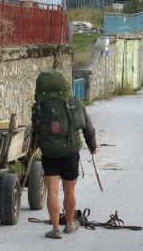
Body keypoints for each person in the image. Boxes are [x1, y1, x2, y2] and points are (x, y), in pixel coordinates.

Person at [32, 70, 97, 239]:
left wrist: (32, 148)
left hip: (49, 153)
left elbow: (35, 129)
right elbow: (87, 127)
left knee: (52, 192)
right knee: (69, 191)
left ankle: (55, 229)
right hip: (69, 152)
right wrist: (92, 146)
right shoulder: (74, 104)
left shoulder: (38, 107)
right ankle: (69, 225)